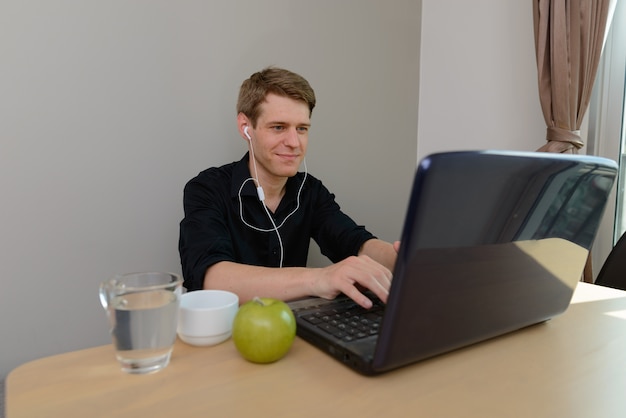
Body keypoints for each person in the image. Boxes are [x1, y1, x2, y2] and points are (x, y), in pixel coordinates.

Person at [178, 67, 398, 309]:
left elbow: (352, 241)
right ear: (245, 127)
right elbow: (213, 278)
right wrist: (320, 278)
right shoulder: (207, 188)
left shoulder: (310, 190)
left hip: (293, 334)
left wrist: (399, 259)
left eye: (302, 128)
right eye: (279, 127)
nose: (294, 143)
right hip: (223, 337)